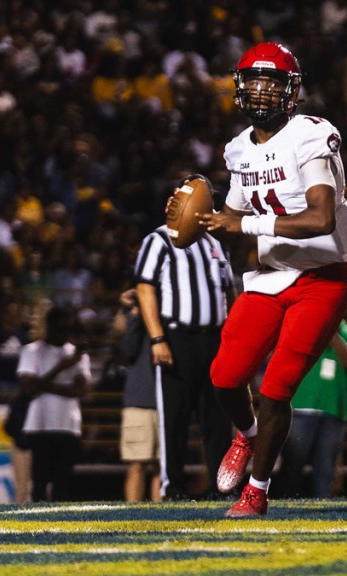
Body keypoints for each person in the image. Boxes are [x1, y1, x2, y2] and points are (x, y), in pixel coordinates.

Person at [197, 42, 347, 517]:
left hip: (323, 278)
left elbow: (320, 218)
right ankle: (246, 437)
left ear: (291, 90)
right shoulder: (239, 149)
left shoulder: (311, 135)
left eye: (271, 80)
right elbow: (226, 219)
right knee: (225, 377)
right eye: (253, 80)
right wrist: (189, 225)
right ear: (239, 86)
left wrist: (242, 225)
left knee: (277, 388)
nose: (260, 90)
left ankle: (259, 488)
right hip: (272, 276)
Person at [136, 187, 235, 501]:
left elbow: (230, 295)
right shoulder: (159, 239)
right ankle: (173, 488)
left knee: (217, 419)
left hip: (215, 340)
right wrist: (157, 338)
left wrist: (233, 340)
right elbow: (145, 287)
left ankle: (223, 487)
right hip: (178, 339)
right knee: (175, 418)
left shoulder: (216, 246)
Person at [281, 318, 347, 498]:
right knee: (291, 468)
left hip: (333, 411)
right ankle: (283, 513)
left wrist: (331, 332)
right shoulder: (302, 326)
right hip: (300, 408)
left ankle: (322, 517)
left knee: (325, 472)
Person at [16, 306, 91, 502]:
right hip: (39, 425)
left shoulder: (77, 354)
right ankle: (38, 526)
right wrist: (61, 368)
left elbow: (81, 391)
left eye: (67, 329)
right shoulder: (32, 351)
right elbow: (27, 389)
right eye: (59, 329)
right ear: (48, 327)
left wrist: (44, 385)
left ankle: (60, 527)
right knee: (39, 482)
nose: (63, 334)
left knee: (62, 482)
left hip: (68, 425)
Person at [114, 289, 162, 502]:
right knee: (137, 464)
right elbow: (127, 351)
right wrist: (133, 312)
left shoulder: (173, 313)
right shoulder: (133, 315)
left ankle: (160, 519)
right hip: (139, 400)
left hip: (166, 400)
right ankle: (133, 515)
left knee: (163, 468)